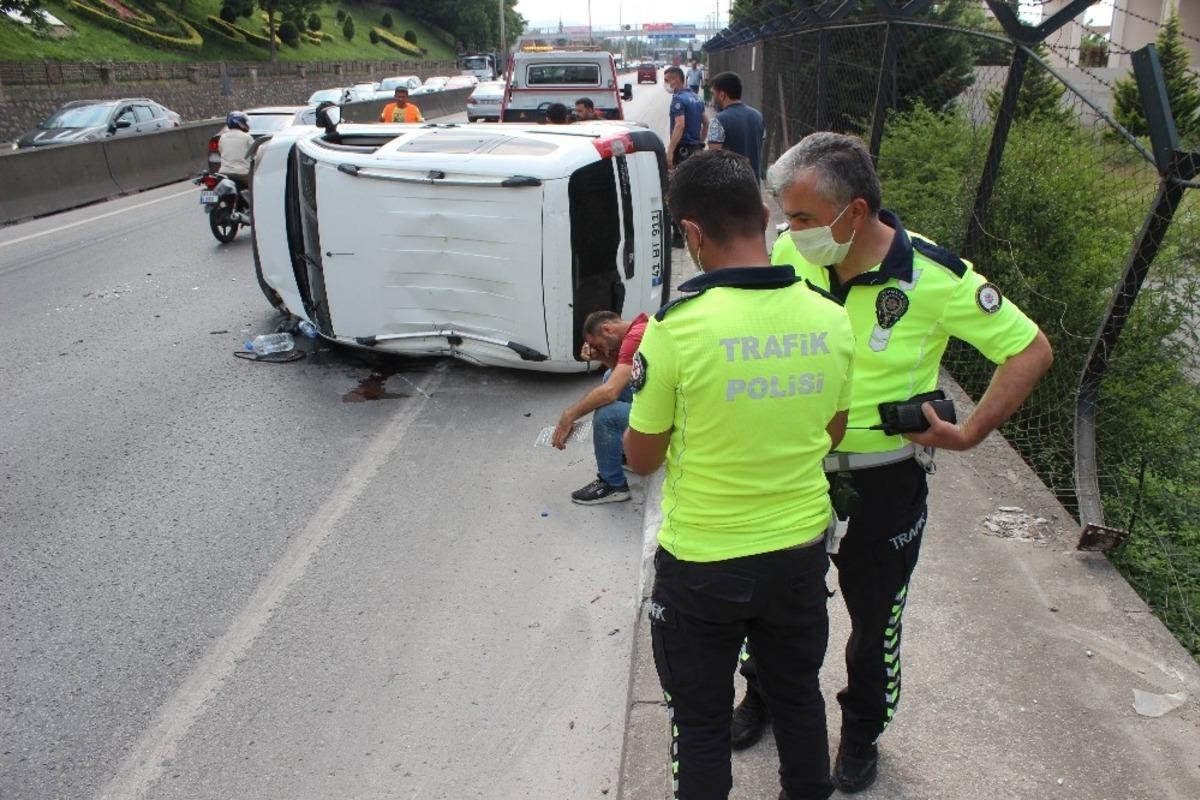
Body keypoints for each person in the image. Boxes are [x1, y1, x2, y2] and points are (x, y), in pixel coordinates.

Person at [729, 132, 1053, 793]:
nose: (788, 231)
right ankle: (760, 693)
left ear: (854, 213)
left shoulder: (934, 278)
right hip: (791, 469)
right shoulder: (794, 253)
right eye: (786, 216)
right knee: (767, 598)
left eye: (803, 218)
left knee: (875, 616)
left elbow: (1030, 349)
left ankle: (861, 731)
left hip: (883, 480)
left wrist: (970, 434)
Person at [625, 149, 855, 800]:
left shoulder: (674, 330)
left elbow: (641, 458)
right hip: (799, 557)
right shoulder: (831, 320)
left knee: (699, 727)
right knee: (798, 700)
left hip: (702, 567)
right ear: (763, 214)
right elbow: (829, 432)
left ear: (691, 234)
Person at [552, 310, 650, 505]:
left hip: (677, 415)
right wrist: (601, 357)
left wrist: (568, 416)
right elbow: (618, 376)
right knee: (607, 377)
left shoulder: (636, 337)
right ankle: (625, 455)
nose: (598, 349)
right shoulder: (638, 328)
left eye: (597, 344)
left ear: (607, 329)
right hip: (670, 401)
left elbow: (610, 392)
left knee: (607, 415)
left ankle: (613, 485)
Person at [664, 65, 709, 248]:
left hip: (681, 150)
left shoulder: (678, 99)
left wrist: (670, 151)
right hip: (694, 148)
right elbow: (705, 122)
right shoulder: (696, 97)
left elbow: (679, 125)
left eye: (667, 80)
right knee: (693, 189)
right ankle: (696, 230)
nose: (666, 84)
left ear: (676, 79)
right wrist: (700, 141)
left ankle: (678, 236)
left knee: (676, 190)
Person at [705, 71, 765, 181]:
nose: (712, 98)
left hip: (730, 187)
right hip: (753, 186)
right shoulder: (758, 116)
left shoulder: (718, 121)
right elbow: (759, 145)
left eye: (713, 93)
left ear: (722, 95)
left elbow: (714, 158)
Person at [217, 111, 253, 191]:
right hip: (242, 173)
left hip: (223, 172)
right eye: (244, 122)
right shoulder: (247, 137)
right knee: (256, 190)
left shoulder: (222, 137)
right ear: (239, 123)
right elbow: (254, 154)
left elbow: (220, 151)